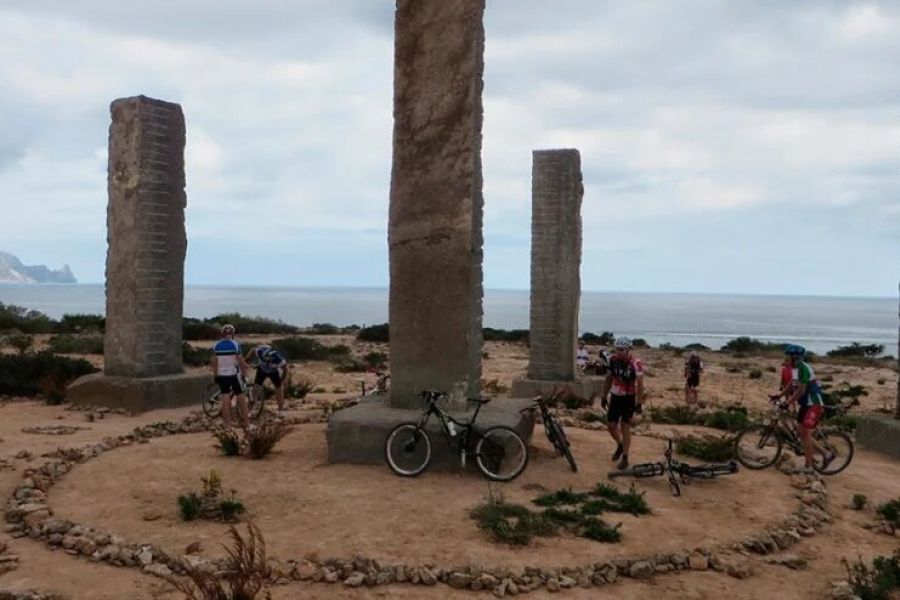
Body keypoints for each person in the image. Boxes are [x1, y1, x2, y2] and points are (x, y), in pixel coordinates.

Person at [771, 344, 831, 472]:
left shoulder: (803, 368)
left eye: (788, 358)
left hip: (814, 404)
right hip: (805, 404)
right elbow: (791, 385)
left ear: (795, 358)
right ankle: (826, 454)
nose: (786, 360)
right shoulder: (796, 368)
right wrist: (779, 395)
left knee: (805, 434)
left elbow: (801, 391)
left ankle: (809, 467)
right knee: (800, 433)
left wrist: (788, 402)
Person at [599, 336, 645, 470]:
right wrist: (604, 396)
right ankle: (619, 444)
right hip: (615, 396)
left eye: (622, 350)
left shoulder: (635, 363)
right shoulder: (613, 361)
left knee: (625, 426)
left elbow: (640, 384)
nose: (619, 352)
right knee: (611, 425)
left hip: (629, 398)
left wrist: (639, 402)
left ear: (628, 349)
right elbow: (608, 378)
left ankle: (625, 456)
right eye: (617, 349)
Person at [211, 324, 250, 428]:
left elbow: (214, 362)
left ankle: (227, 426)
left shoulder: (216, 346)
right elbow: (241, 362)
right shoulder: (235, 345)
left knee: (225, 400)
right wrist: (245, 375)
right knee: (241, 398)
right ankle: (247, 424)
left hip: (221, 375)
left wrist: (215, 375)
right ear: (232, 334)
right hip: (234, 374)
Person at [247, 343, 290, 413]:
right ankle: (250, 409)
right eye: (265, 360)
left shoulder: (278, 359)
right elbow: (252, 350)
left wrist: (282, 380)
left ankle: (280, 411)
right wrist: (247, 358)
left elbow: (285, 369)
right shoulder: (260, 352)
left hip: (274, 372)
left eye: (268, 361)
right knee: (256, 387)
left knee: (279, 388)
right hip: (262, 370)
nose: (267, 362)